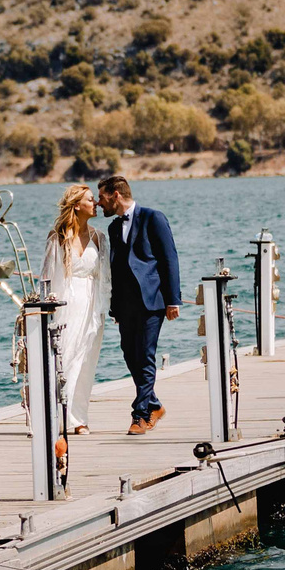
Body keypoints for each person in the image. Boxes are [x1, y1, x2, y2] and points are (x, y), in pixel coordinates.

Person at [97, 174, 179, 435]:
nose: (99, 203)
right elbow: (116, 268)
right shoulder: (113, 227)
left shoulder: (153, 218)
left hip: (151, 301)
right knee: (130, 355)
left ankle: (140, 415)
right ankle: (155, 405)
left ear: (116, 195)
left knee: (144, 356)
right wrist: (115, 306)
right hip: (125, 305)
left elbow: (169, 259)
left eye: (102, 197)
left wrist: (173, 300)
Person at [37, 183, 108, 432]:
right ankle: (56, 416)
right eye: (90, 200)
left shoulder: (99, 237)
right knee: (64, 358)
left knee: (86, 361)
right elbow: (46, 275)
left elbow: (106, 277)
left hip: (92, 304)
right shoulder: (57, 236)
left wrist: (107, 307)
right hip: (65, 303)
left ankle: (78, 419)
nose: (95, 203)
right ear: (77, 205)